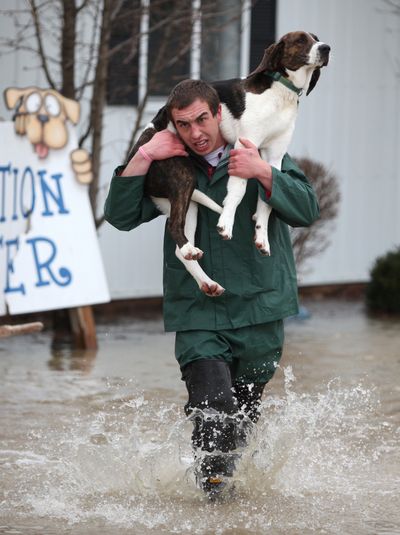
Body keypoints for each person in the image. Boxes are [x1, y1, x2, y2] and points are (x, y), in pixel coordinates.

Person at [104, 79, 320, 497]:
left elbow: (307, 209)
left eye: (202, 119)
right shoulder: (169, 164)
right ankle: (215, 502)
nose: (196, 132)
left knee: (240, 422)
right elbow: (120, 215)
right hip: (199, 313)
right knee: (213, 410)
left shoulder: (259, 149)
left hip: (260, 313)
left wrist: (261, 171)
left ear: (220, 113)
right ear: (173, 125)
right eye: (183, 124)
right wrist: (144, 155)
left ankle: (228, 494)